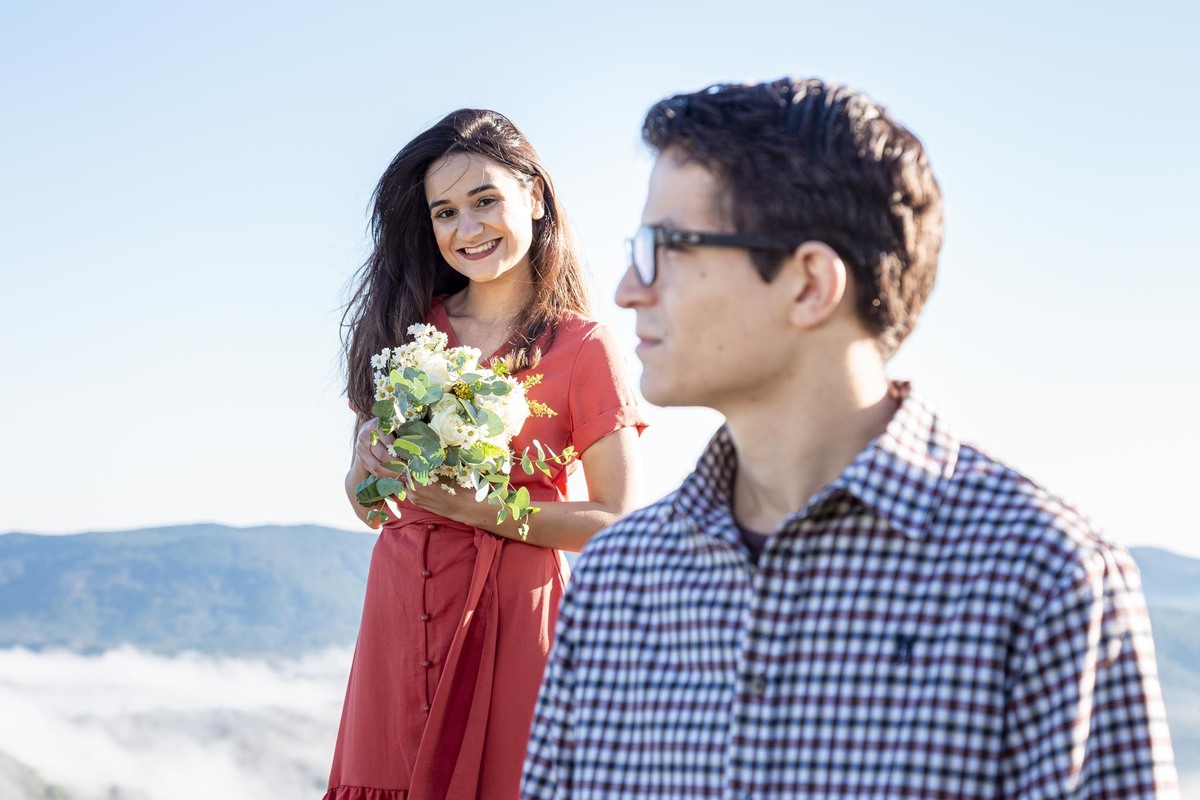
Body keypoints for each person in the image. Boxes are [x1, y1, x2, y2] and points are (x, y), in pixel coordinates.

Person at [522, 78, 1178, 798]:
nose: (626, 289)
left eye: (663, 248)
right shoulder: (617, 581)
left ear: (809, 283)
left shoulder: (1046, 576)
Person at [325, 108, 646, 800]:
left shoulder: (583, 346)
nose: (466, 230)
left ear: (534, 195)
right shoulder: (402, 333)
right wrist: (364, 472)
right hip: (397, 609)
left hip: (515, 621)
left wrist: (484, 510)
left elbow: (614, 522)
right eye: (445, 213)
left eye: (484, 201)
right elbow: (366, 507)